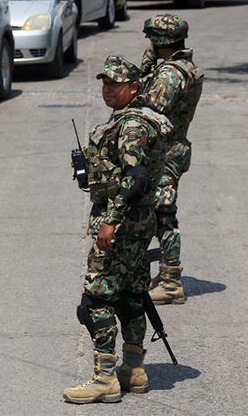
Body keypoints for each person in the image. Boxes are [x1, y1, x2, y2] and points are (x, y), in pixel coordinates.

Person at [63, 56, 172, 405]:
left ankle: (105, 378)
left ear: (134, 87)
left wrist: (110, 220)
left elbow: (136, 177)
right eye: (105, 83)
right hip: (139, 226)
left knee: (95, 298)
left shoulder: (131, 127)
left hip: (122, 225)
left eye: (116, 84)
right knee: (132, 293)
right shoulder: (134, 120)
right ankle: (134, 370)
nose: (108, 89)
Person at [139, 14, 204, 306]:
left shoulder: (170, 74)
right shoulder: (178, 67)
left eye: (152, 40)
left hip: (165, 152)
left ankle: (171, 282)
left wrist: (142, 71)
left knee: (164, 215)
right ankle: (165, 276)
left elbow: (147, 106)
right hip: (169, 149)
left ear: (160, 42)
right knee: (158, 213)